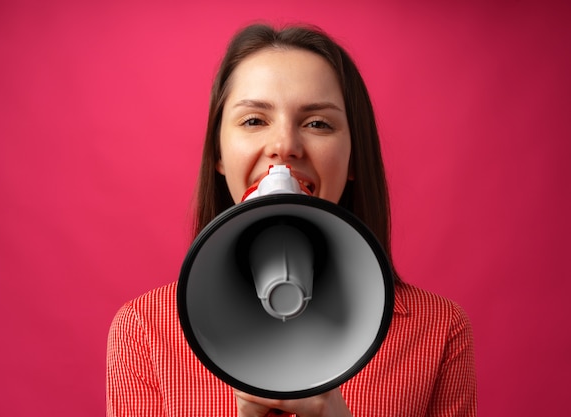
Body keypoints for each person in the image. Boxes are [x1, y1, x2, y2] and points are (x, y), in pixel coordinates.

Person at [106, 22, 477, 417]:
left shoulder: (437, 331)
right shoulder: (146, 332)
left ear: (353, 156)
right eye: (253, 120)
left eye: (317, 123)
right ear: (217, 152)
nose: (284, 146)